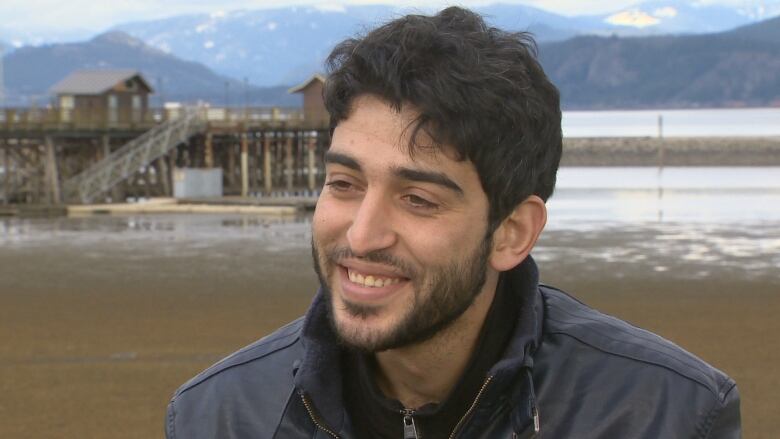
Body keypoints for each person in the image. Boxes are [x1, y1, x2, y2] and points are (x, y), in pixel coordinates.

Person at [165, 7, 740, 438]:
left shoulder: (665, 414)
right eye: (344, 184)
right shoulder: (219, 416)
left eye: (418, 199)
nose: (362, 236)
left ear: (512, 232)